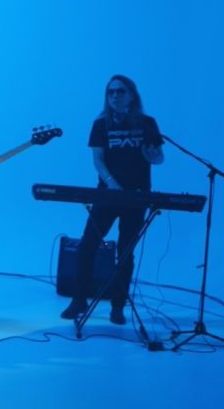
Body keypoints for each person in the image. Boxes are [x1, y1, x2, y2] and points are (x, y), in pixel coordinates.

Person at [60, 75, 164, 325]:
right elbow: (98, 160)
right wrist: (112, 184)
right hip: (107, 193)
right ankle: (79, 299)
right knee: (87, 246)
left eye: (120, 91)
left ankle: (118, 307)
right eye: (111, 92)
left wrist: (153, 154)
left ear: (132, 95)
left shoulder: (147, 123)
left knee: (126, 252)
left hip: (137, 196)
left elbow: (158, 158)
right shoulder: (101, 124)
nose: (115, 96)